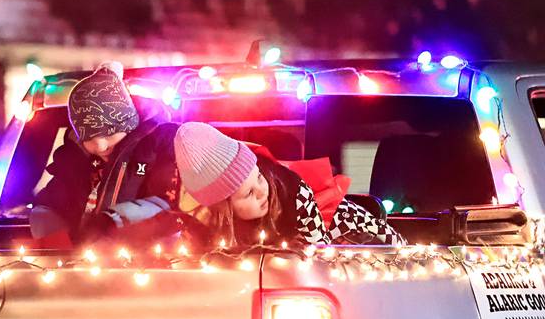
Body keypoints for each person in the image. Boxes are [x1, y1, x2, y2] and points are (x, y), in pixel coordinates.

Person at [173, 122, 405, 247]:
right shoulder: (206, 226)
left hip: (364, 241)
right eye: (248, 194)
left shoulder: (293, 193)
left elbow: (318, 257)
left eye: (259, 178)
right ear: (223, 208)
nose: (262, 191)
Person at [30, 62, 179, 244]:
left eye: (109, 132)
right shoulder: (77, 162)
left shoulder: (156, 148)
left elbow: (167, 204)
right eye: (89, 137)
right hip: (84, 264)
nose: (100, 146)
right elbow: (55, 199)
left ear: (128, 124)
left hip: (146, 263)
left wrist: (113, 222)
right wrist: (48, 220)